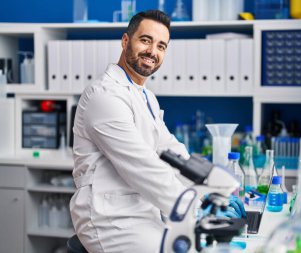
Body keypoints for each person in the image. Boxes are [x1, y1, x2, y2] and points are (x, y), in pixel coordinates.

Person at [70, 10, 245, 253]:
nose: (153, 51)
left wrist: (212, 190)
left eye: (161, 46)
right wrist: (198, 204)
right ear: (125, 41)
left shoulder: (146, 97)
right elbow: (142, 167)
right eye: (145, 40)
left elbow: (171, 151)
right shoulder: (104, 95)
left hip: (143, 209)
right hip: (110, 218)